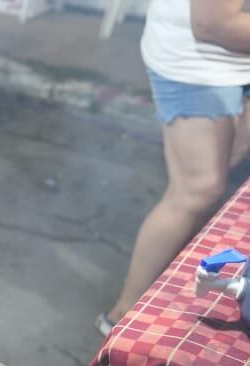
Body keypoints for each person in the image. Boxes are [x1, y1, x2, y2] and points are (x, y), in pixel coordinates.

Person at [101, 0, 250, 334]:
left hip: (241, 58)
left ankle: (183, 285)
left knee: (229, 168)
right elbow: (214, 25)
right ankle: (119, 318)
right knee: (198, 189)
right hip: (196, 60)